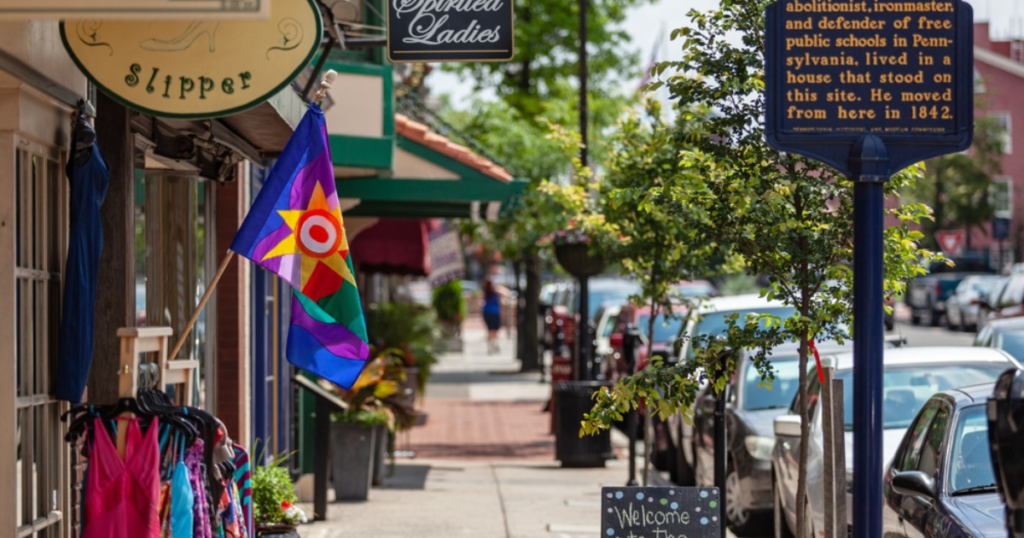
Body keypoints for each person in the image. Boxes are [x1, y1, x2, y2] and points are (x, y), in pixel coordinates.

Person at [481, 279, 504, 354]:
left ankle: (490, 346)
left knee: (490, 330)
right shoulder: (495, 292)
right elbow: (505, 293)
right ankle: (494, 345)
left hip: (487, 312)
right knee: (495, 329)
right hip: (494, 312)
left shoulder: (485, 292)